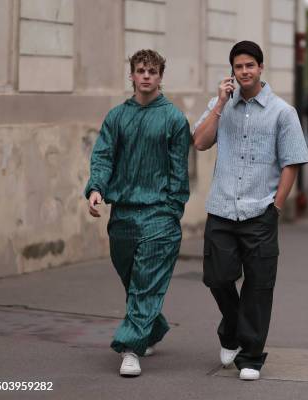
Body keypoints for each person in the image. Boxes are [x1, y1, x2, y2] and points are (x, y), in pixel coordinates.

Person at [193, 41, 308, 381]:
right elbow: (199, 142)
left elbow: (292, 163)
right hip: (222, 208)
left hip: (261, 210)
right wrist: (219, 103)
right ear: (232, 70)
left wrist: (276, 207)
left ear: (261, 68)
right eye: (238, 66)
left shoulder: (282, 112)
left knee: (259, 286)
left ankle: (252, 356)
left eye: (250, 65)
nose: (244, 71)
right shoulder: (221, 106)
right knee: (217, 277)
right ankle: (231, 329)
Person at [84, 49, 190, 377]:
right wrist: (96, 188)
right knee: (132, 277)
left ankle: (130, 347)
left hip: (159, 213)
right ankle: (152, 327)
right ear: (131, 75)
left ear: (160, 77)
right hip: (124, 214)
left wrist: (173, 209)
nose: (146, 76)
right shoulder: (116, 117)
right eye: (141, 70)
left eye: (153, 71)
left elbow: (179, 170)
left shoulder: (173, 118)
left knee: (145, 281)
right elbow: (103, 155)